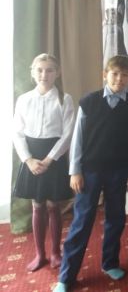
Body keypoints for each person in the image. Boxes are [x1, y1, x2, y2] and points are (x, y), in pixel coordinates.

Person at [54, 55, 128, 292]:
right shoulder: (89, 102)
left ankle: (110, 263)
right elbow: (78, 138)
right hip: (89, 171)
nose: (119, 79)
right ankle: (66, 276)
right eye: (115, 74)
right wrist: (75, 170)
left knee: (116, 218)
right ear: (105, 75)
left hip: (118, 170)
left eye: (125, 75)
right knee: (82, 221)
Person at [13, 54, 75, 272]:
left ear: (57, 73)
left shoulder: (65, 99)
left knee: (53, 205)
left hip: (53, 157)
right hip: (31, 157)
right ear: (33, 72)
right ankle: (40, 254)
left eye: (49, 70)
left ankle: (56, 252)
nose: (44, 74)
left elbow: (67, 134)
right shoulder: (24, 100)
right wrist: (28, 159)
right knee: (37, 205)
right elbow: (17, 133)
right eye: (39, 70)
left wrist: (49, 159)